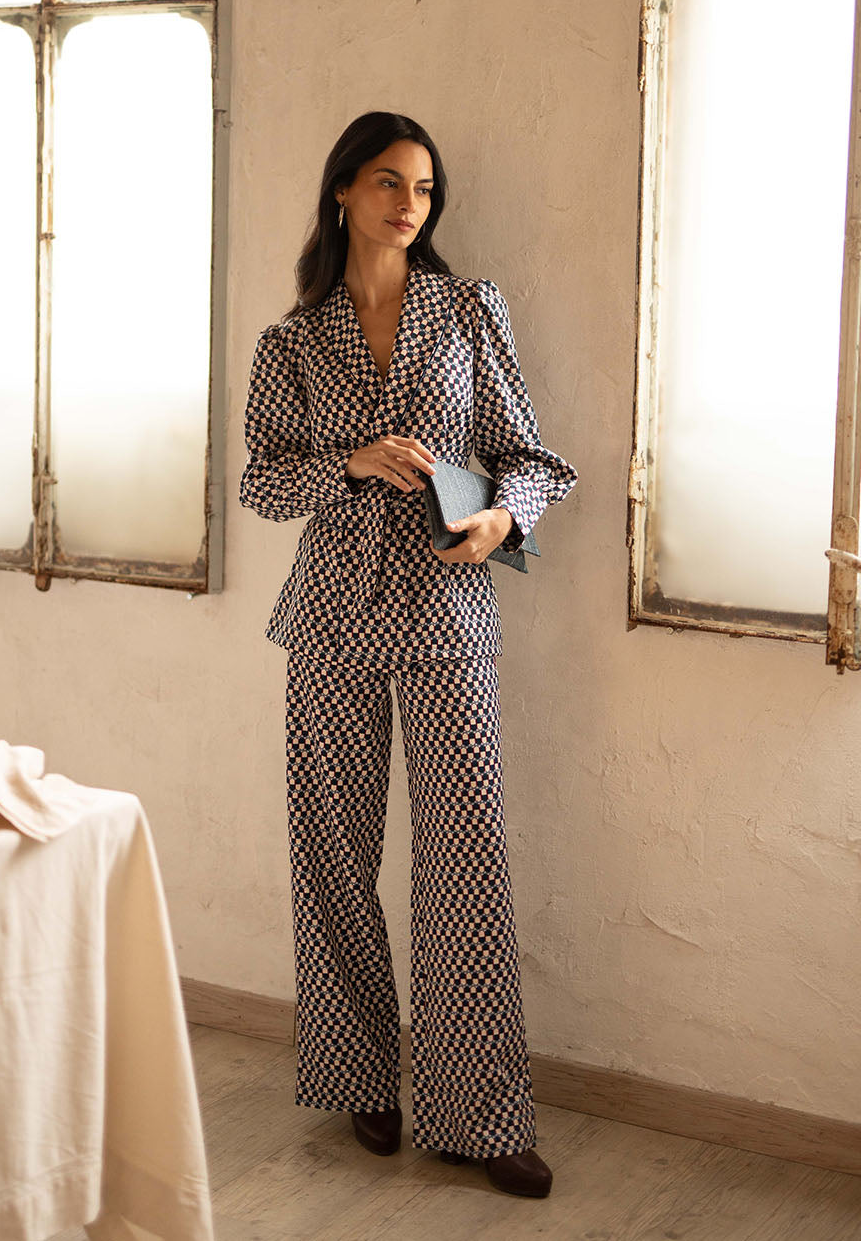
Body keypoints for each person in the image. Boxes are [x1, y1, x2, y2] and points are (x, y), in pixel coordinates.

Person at [238, 111, 577, 1199]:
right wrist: (349, 462)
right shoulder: (291, 343)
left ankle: (479, 1114)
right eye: (388, 182)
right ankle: (360, 1076)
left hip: (445, 616)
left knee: (464, 862)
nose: (408, 205)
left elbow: (533, 458)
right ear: (343, 190)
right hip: (330, 619)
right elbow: (260, 482)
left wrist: (503, 520)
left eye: (424, 189)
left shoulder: (469, 310)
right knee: (333, 856)